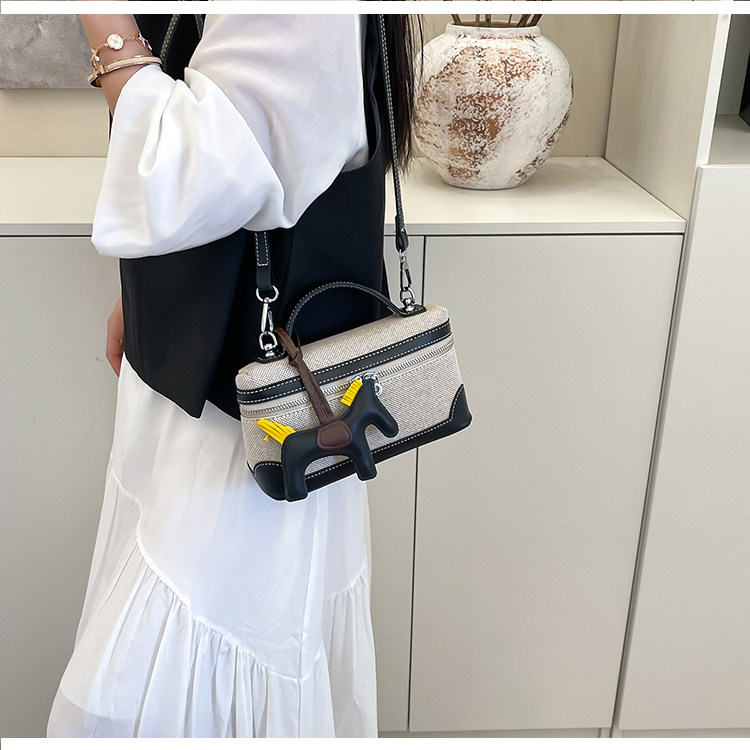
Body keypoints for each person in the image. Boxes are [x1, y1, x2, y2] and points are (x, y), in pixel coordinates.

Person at [46, 5, 422, 739]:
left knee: (170, 680)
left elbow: (185, 171)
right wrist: (149, 287)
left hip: (253, 424)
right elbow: (244, 135)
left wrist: (103, 23)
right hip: (230, 386)